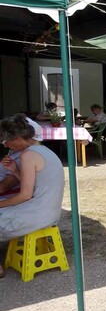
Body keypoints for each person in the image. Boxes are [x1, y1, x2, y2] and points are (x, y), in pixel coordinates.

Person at [0, 115, 65, 277]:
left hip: (38, 214)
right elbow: (37, 187)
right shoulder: (44, 151)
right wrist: (15, 170)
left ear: (18, 138)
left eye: (6, 141)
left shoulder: (27, 155)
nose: (6, 145)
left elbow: (25, 195)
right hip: (49, 211)